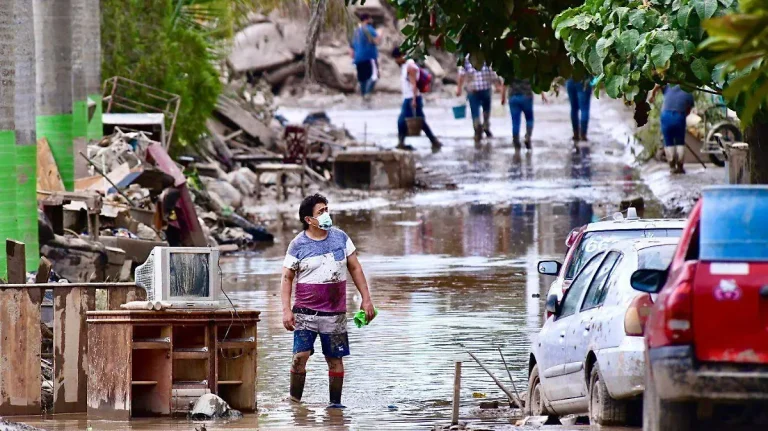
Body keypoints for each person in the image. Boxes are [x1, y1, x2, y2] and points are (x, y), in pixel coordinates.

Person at [282, 193, 376, 408]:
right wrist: (286, 310)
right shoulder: (297, 244)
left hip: (335, 313)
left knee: (335, 359)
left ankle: (335, 406)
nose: (326, 214)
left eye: (326, 210)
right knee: (300, 356)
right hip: (305, 313)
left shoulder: (340, 238)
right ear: (309, 219)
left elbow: (355, 268)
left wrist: (367, 299)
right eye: (321, 212)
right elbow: (287, 277)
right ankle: (295, 401)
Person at [392, 47, 442, 151]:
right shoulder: (405, 65)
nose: (395, 61)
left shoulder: (410, 67)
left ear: (401, 56)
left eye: (396, 58)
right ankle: (434, 141)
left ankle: (401, 142)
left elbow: (414, 85)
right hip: (410, 97)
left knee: (401, 121)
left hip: (411, 98)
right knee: (421, 121)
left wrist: (414, 100)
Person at [457, 56, 504, 143]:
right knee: (486, 110)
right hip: (485, 88)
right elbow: (492, 73)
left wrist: (459, 88)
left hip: (473, 90)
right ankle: (485, 126)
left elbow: (461, 74)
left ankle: (477, 129)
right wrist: (497, 86)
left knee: (475, 112)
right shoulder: (486, 56)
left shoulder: (466, 57)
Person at [651, 84, 694, 174]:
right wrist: (682, 116)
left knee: (668, 141)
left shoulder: (668, 85)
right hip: (679, 116)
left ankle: (672, 167)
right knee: (680, 142)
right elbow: (689, 109)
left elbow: (658, 85)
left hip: (665, 115)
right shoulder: (688, 90)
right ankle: (680, 166)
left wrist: (652, 95)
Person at [507, 78, 548, 150]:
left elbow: (505, 82)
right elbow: (536, 81)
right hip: (527, 97)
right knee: (529, 119)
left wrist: (503, 96)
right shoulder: (528, 67)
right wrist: (542, 94)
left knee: (515, 122)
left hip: (513, 97)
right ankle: (528, 137)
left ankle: (516, 141)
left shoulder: (510, 67)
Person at [350, 14, 381, 102]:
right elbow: (377, 41)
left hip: (358, 59)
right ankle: (367, 94)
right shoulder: (369, 29)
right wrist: (380, 33)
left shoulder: (355, 31)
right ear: (367, 19)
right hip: (369, 57)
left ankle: (363, 96)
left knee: (362, 79)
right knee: (374, 76)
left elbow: (351, 47)